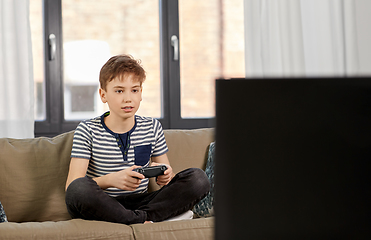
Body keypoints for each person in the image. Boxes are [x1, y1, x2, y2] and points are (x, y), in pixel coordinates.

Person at [65, 54, 210, 224]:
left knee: (198, 179)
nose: (128, 98)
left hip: (143, 202)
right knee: (79, 188)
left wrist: (165, 175)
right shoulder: (87, 129)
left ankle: (137, 219)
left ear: (141, 93)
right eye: (119, 91)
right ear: (103, 95)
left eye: (134, 90)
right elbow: (72, 185)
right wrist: (112, 179)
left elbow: (166, 179)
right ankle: (145, 220)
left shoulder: (152, 127)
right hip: (104, 203)